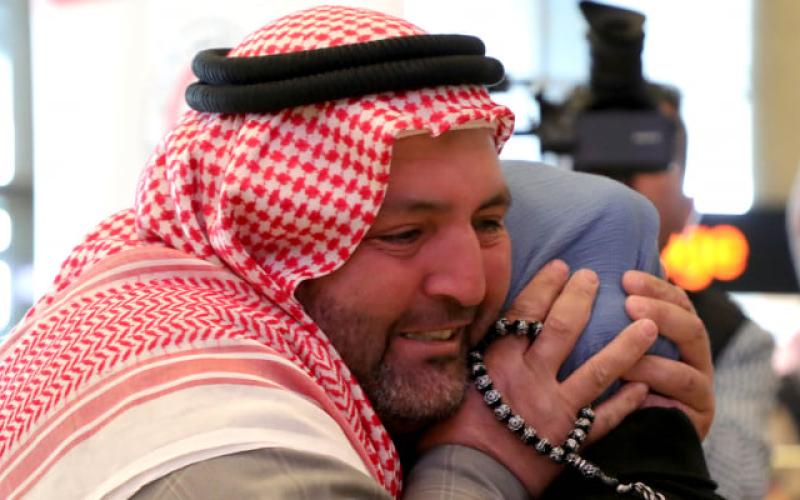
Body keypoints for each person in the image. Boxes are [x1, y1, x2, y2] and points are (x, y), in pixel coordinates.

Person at [0, 6, 714, 498]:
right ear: (274, 238)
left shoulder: (166, 294)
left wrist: (644, 431)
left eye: (489, 222)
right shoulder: (233, 448)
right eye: (403, 235)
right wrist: (481, 461)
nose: (469, 284)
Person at [574, 83, 778, 500]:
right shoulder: (496, 298)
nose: (619, 178)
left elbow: (739, 487)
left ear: (686, 202)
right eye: (606, 148)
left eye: (648, 151)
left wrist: (683, 421)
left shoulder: (732, 335)